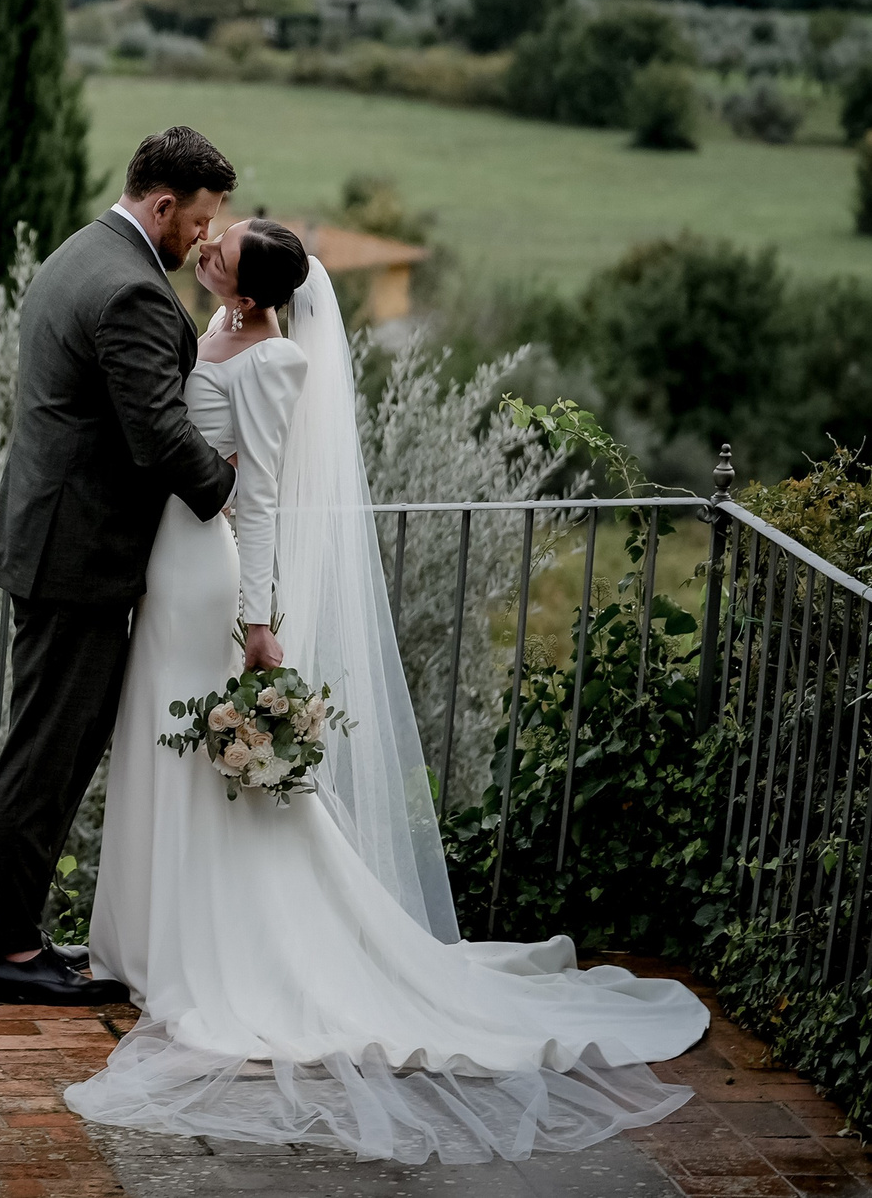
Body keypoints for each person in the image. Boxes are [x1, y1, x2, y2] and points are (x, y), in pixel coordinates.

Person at [63, 217, 710, 1162]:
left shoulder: (276, 361)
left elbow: (266, 492)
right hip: (162, 567)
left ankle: (207, 953)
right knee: (159, 743)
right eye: (217, 235)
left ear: (250, 292)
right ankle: (144, 943)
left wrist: (257, 620)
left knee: (194, 753)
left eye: (225, 251)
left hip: (204, 574)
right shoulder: (216, 329)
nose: (208, 246)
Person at [0, 126, 240, 1008]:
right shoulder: (130, 290)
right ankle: (11, 949)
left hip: (53, 541)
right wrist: (223, 485)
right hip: (77, 555)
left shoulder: (77, 254)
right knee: (48, 751)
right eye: (199, 222)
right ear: (163, 205)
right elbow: (157, 433)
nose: (204, 239)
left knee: (44, 741)